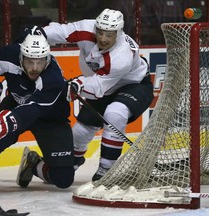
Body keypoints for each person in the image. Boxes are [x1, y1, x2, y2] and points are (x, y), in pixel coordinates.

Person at [0, 26, 75, 192]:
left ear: (47, 58)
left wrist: (4, 121)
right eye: (30, 61)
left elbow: (33, 109)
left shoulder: (53, 78)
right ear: (21, 55)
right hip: (16, 103)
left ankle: (32, 165)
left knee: (64, 179)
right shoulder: (10, 54)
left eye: (40, 61)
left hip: (50, 116)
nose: (34, 68)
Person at [43, 8, 154, 181]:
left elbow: (97, 88)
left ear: (118, 33)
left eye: (109, 34)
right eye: (100, 32)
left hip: (134, 86)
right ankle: (48, 165)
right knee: (80, 133)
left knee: (115, 113)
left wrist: (78, 84)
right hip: (104, 84)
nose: (103, 38)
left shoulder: (121, 56)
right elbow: (62, 31)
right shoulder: (87, 28)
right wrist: (38, 34)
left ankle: (106, 170)